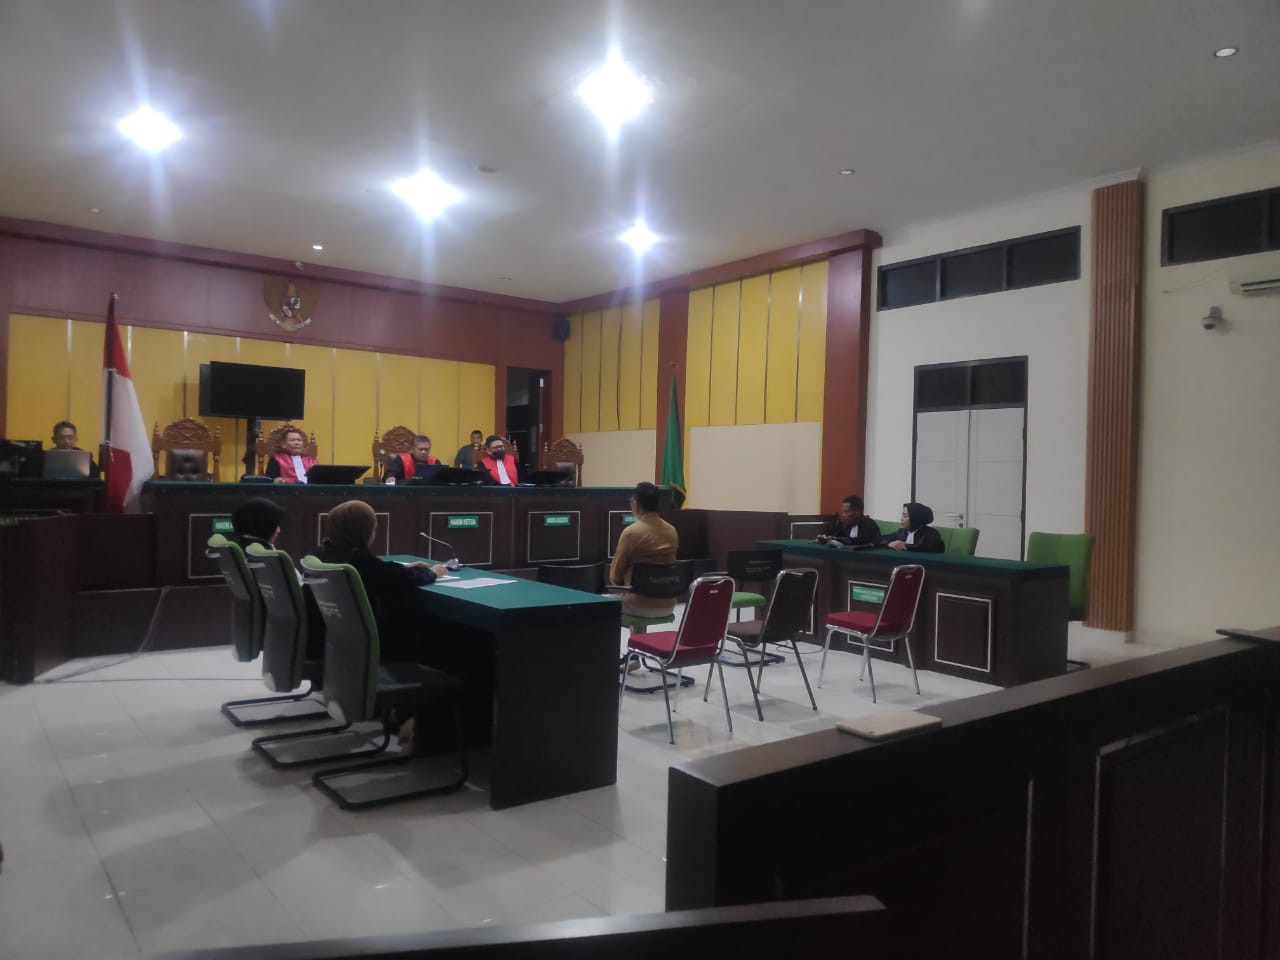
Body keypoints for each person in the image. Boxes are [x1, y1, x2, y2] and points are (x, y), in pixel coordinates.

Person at [316, 500, 448, 661]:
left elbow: (382, 572)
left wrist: (404, 568)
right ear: (365, 532)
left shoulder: (323, 552)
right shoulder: (359, 560)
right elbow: (398, 578)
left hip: (328, 642)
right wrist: (432, 573)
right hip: (366, 648)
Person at [610, 481, 680, 618]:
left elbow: (615, 575)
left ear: (636, 504)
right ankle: (637, 632)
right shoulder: (672, 531)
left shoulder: (631, 532)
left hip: (637, 605)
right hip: (669, 605)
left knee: (602, 604)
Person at [880, 501, 945, 553]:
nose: (901, 519)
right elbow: (880, 539)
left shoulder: (930, 533)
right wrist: (889, 544)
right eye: (902, 516)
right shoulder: (901, 532)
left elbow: (935, 547)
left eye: (905, 516)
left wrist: (906, 546)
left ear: (915, 518)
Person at [816, 494, 880, 547]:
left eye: (846, 512)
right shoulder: (844, 524)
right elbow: (832, 535)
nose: (843, 515)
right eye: (843, 511)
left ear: (857, 512)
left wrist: (836, 539)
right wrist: (825, 538)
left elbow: (858, 541)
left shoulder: (869, 524)